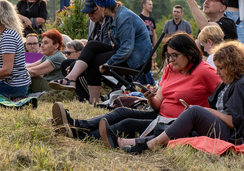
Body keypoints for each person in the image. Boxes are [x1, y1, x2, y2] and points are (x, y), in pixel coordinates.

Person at [52, 33, 219, 142]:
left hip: (176, 123)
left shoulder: (205, 71)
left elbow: (224, 96)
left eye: (175, 55)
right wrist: (150, 97)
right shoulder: (170, 69)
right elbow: (159, 103)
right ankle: (76, 124)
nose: (171, 60)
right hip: (160, 114)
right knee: (121, 112)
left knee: (127, 123)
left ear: (189, 53)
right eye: (169, 56)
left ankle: (79, 135)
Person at [117, 41, 244, 153]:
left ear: (232, 66)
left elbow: (233, 121)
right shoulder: (231, 81)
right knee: (186, 128)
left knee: (195, 111)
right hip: (229, 132)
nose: (217, 72)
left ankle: (149, 145)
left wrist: (206, 111)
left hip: (236, 136)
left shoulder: (242, 84)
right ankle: (133, 142)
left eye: (221, 68)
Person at [50, 0, 151, 105]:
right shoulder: (116, 15)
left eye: (96, 7)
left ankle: (92, 100)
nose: (96, 10)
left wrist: (110, 63)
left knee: (93, 61)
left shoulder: (124, 18)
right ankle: (75, 82)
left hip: (137, 61)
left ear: (102, 6)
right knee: (92, 46)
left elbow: (126, 49)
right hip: (127, 54)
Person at [0, 0, 31, 99]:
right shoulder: (6, 34)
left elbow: (7, 70)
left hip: (13, 85)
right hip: (12, 84)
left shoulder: (8, 36)